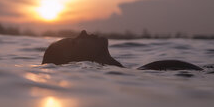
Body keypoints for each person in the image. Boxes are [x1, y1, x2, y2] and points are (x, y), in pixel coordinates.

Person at [42, 30, 203, 70]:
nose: (82, 32)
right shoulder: (151, 74)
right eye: (74, 43)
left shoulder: (148, 72)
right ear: (79, 61)